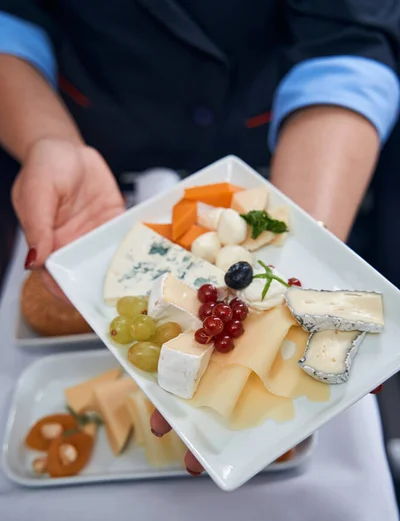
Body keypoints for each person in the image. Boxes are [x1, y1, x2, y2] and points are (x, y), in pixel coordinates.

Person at [0, 0, 399, 476]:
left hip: (288, 163)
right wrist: (48, 140)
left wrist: (307, 237)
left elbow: (348, 40)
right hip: (93, 147)